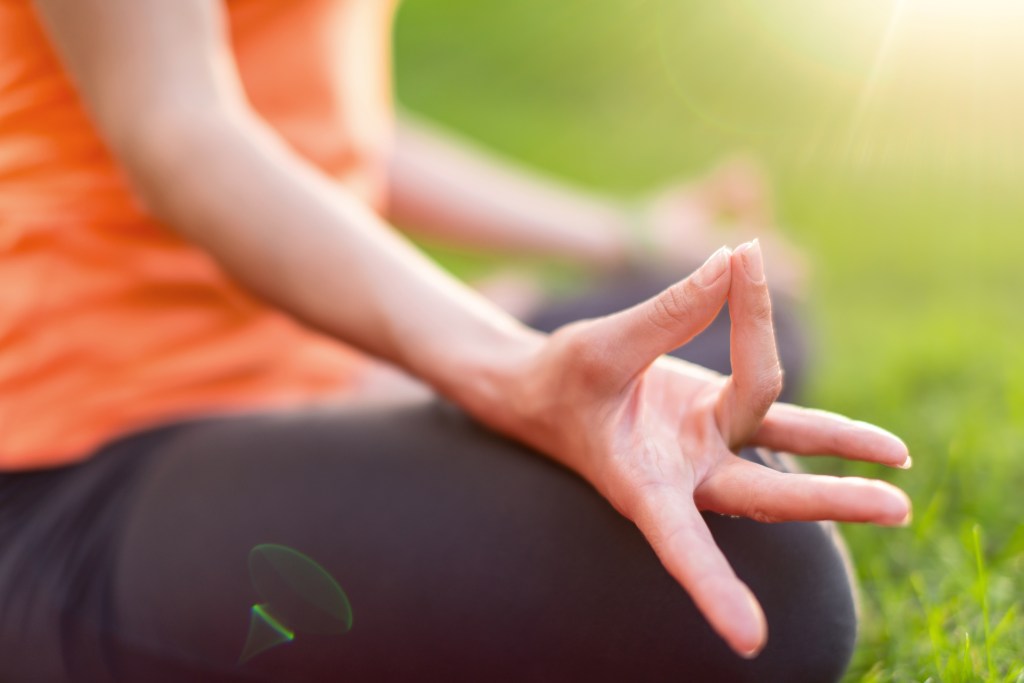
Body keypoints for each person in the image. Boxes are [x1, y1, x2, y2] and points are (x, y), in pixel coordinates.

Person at [0, 0, 911, 681]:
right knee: (772, 587)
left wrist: (627, 231)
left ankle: (400, 383)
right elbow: (179, 124)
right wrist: (502, 361)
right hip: (75, 460)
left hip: (308, 363)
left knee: (744, 320)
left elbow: (324, 127)